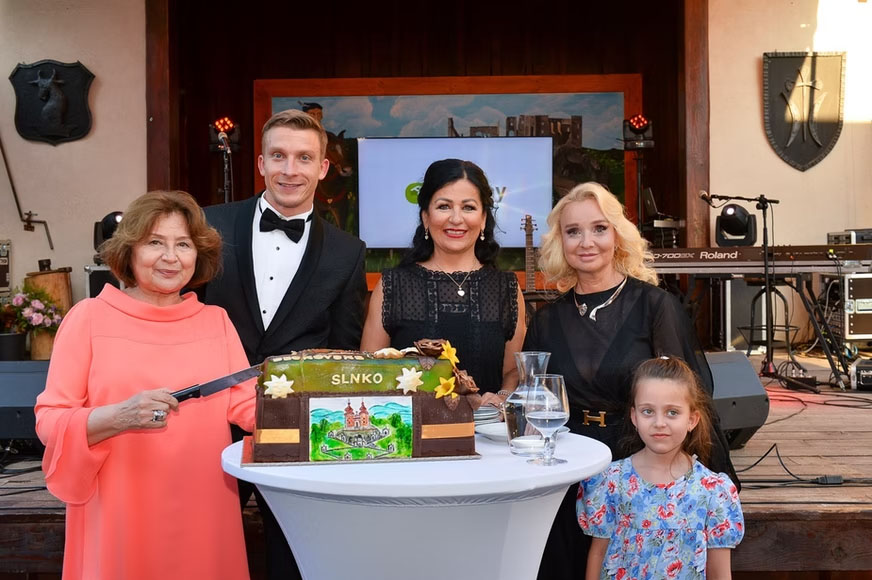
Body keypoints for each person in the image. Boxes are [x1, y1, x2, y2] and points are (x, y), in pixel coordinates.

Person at [34, 190, 256, 580]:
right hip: (118, 508)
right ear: (129, 251)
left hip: (203, 508)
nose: (171, 257)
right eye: (155, 243)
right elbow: (49, 421)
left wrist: (319, 400)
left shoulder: (216, 321)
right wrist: (118, 417)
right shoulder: (88, 318)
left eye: (183, 244)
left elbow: (249, 408)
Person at [523, 182, 739, 580]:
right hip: (568, 470)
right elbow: (533, 399)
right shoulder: (546, 321)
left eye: (599, 228)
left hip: (638, 466)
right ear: (560, 242)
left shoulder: (655, 307)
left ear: (618, 235)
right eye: (573, 231)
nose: (586, 242)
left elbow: (688, 394)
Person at [200, 108, 367, 580]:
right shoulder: (208, 226)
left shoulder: (348, 251)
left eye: (304, 158)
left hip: (299, 424)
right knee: (201, 543)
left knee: (295, 553)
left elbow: (344, 349)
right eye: (278, 156)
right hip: (209, 417)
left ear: (323, 168)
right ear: (260, 163)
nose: (290, 170)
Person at [361, 158, 525, 406]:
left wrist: (502, 397)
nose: (456, 219)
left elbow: (513, 372)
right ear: (426, 217)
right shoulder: (393, 286)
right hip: (411, 427)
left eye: (468, 207)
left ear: (483, 219)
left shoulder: (506, 288)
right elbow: (369, 374)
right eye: (444, 206)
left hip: (488, 427)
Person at [578, 356, 744, 579]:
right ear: (634, 416)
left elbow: (719, 573)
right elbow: (598, 554)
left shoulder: (713, 491)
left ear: (692, 419)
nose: (659, 423)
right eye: (648, 411)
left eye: (672, 412)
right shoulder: (611, 481)